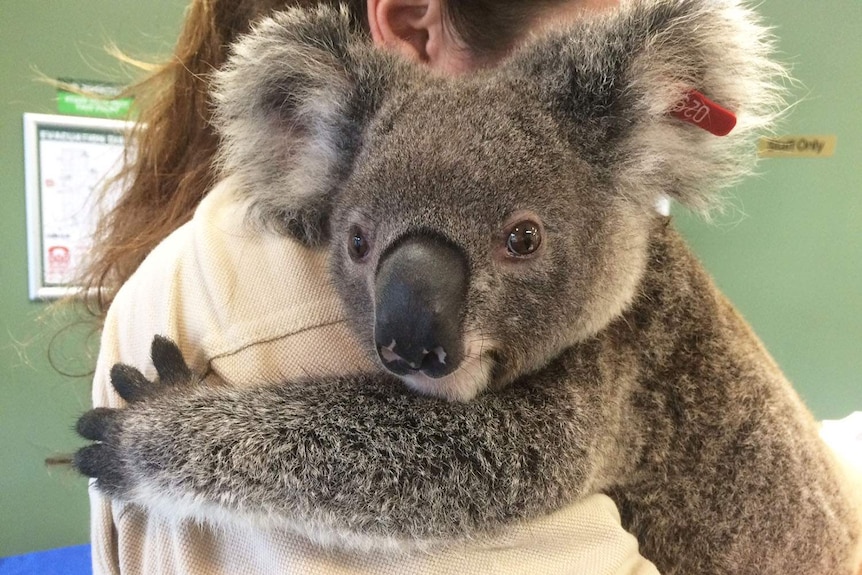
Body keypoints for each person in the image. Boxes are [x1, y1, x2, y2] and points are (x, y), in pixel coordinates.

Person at [82, 0, 662, 573]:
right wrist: (200, 453)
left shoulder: (616, 260)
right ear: (414, 28)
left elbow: (508, 456)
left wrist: (204, 451)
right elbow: (489, 457)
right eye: (586, 31)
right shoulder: (262, 300)